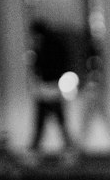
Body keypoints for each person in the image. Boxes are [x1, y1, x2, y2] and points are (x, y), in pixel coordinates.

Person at [28, 20, 75, 154]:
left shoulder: (44, 47)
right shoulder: (53, 45)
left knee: (43, 122)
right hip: (53, 86)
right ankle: (68, 149)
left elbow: (40, 67)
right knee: (57, 121)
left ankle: (35, 150)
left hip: (48, 87)